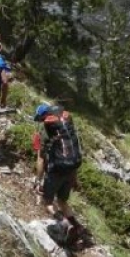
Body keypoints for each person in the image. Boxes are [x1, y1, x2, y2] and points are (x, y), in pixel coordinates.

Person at [32, 102, 87, 247]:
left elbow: (41, 159)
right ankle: (78, 228)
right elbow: (72, 151)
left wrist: (38, 181)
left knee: (48, 201)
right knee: (63, 201)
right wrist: (74, 179)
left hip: (56, 169)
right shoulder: (66, 127)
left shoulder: (47, 132)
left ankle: (65, 224)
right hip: (71, 168)